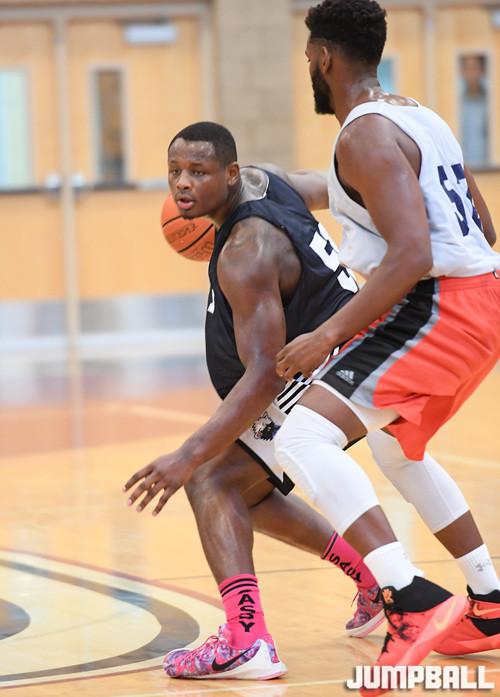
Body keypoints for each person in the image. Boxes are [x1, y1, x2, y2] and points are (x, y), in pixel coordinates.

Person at [273, 0, 500, 691]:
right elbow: (481, 222)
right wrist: (268, 185)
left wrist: (325, 334)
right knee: (397, 448)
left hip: (441, 305)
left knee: (301, 437)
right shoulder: (417, 116)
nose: (308, 67)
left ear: (323, 57)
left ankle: (408, 597)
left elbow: (411, 254)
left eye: (307, 57)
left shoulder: (364, 135)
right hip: (477, 297)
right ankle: (489, 601)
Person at [124, 120, 388, 680]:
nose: (183, 184)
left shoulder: (245, 250)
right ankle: (374, 579)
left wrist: (186, 455)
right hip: (347, 353)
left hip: (323, 369)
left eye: (198, 172)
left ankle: (247, 640)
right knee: (248, 492)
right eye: (175, 171)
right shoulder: (269, 182)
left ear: (230, 174)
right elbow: (334, 186)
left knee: (209, 478)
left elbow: (266, 374)